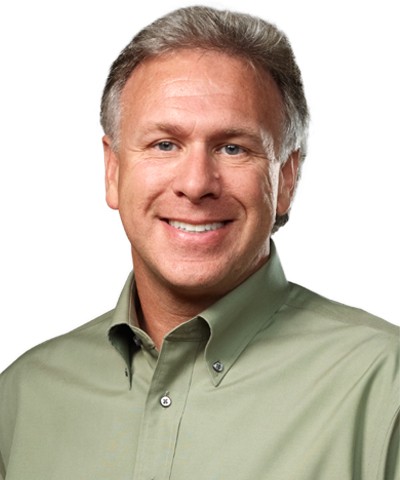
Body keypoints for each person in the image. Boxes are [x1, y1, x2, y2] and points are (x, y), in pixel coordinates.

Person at [0, 5, 398, 479]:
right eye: (164, 144)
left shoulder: (385, 387)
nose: (195, 184)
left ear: (287, 177)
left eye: (233, 147)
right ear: (113, 169)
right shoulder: (22, 398)